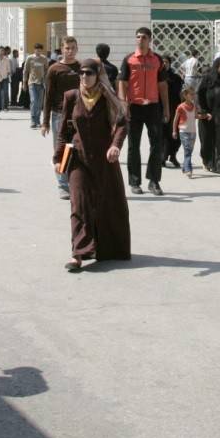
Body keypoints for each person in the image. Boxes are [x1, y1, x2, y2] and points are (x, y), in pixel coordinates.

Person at [56, 58, 131, 271]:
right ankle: (78, 254)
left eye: (89, 73)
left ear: (98, 75)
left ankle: (108, 248)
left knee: (108, 203)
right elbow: (63, 131)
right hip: (79, 159)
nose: (84, 76)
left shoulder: (108, 97)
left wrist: (115, 145)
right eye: (81, 73)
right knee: (79, 203)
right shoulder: (72, 97)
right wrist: (57, 158)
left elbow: (122, 123)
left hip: (105, 159)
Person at [118, 27, 169, 196]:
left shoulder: (157, 60)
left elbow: (162, 85)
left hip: (153, 106)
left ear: (150, 40)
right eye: (138, 37)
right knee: (133, 145)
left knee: (157, 144)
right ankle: (135, 182)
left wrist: (166, 108)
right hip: (134, 107)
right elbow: (122, 83)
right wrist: (123, 105)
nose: (140, 40)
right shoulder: (129, 59)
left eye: (144, 37)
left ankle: (154, 181)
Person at [42, 37, 81, 199]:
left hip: (79, 115)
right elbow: (48, 95)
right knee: (62, 150)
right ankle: (63, 185)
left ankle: (76, 183)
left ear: (77, 49)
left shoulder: (82, 68)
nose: (70, 51)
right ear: (62, 49)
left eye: (73, 48)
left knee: (78, 150)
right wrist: (45, 122)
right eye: (67, 48)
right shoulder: (54, 69)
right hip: (59, 115)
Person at [161, 55, 184, 168]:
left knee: (176, 134)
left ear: (170, 64)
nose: (164, 64)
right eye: (163, 62)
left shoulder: (176, 78)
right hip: (161, 108)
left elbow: (180, 93)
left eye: (166, 62)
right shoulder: (156, 77)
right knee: (163, 134)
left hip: (174, 108)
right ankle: (163, 157)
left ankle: (173, 155)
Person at [173, 87, 199, 178]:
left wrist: (206, 115)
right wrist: (174, 131)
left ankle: (184, 167)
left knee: (189, 151)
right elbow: (175, 120)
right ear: (185, 95)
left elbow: (196, 116)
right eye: (191, 94)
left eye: (193, 94)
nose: (193, 96)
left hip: (193, 132)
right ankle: (189, 170)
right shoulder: (180, 107)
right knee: (188, 150)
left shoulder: (194, 106)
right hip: (183, 131)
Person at [23, 44, 49, 129]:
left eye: (40, 50)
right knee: (34, 101)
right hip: (32, 82)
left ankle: (38, 120)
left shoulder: (44, 59)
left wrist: (47, 81)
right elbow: (25, 71)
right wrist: (24, 83)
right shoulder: (30, 58)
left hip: (41, 83)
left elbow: (47, 70)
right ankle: (33, 120)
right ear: (34, 50)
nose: (38, 51)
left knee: (39, 103)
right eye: (37, 50)